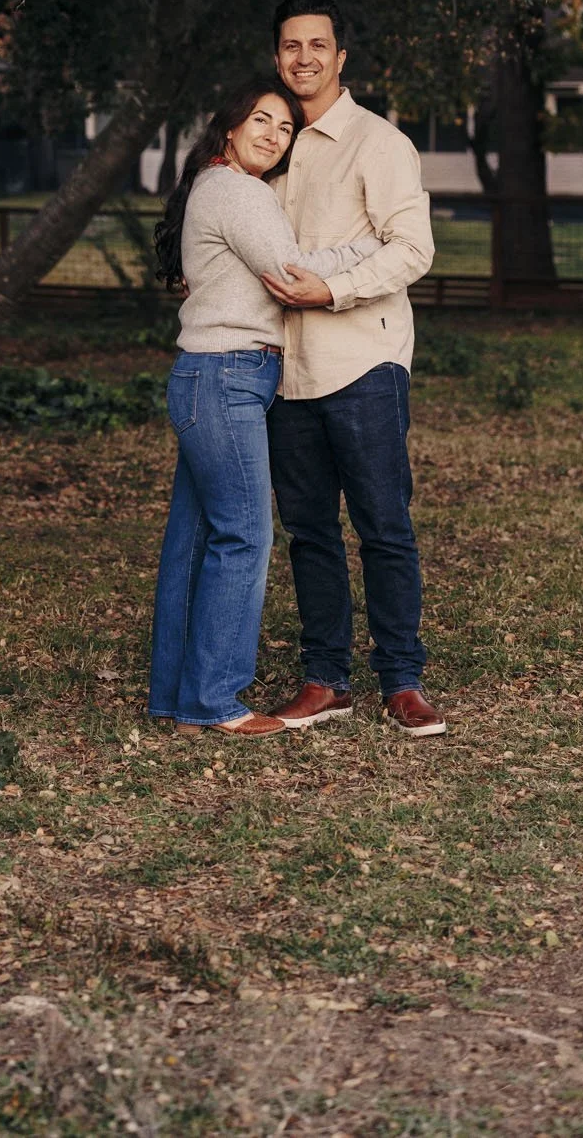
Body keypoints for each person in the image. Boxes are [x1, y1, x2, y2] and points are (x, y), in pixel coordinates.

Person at [147, 80, 381, 736]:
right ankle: (216, 701)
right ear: (229, 126)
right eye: (261, 119)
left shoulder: (217, 187)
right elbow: (292, 272)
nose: (274, 134)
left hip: (208, 378)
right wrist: (368, 248)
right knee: (244, 537)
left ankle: (178, 698)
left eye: (285, 127)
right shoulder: (236, 190)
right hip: (227, 378)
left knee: (194, 543)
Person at [258, 0, 444, 735]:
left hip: (363, 360)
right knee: (308, 531)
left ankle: (402, 680)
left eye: (317, 45)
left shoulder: (379, 143)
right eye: (290, 45)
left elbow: (413, 248)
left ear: (340, 59)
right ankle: (324, 679)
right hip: (284, 370)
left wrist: (332, 288)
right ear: (278, 58)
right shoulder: (266, 145)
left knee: (383, 525)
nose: (303, 56)